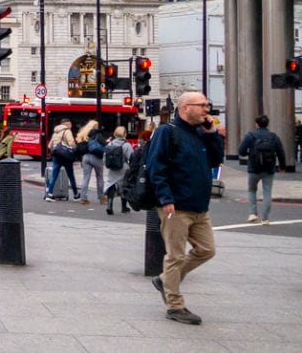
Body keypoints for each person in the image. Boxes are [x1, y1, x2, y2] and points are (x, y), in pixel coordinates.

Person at [147, 91, 223, 325]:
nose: (206, 109)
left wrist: (212, 134)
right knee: (176, 256)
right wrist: (165, 197)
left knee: (207, 250)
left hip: (199, 206)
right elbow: (155, 167)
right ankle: (175, 305)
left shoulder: (201, 133)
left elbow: (215, 159)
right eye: (201, 105)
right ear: (184, 108)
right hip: (175, 206)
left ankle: (164, 279)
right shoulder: (167, 132)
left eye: (207, 105)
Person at [237, 115, 287, 225]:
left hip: (254, 168)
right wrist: (282, 166)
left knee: (252, 190)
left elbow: (241, 151)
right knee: (267, 192)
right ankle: (265, 218)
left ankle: (253, 213)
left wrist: (249, 153)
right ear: (267, 124)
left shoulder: (251, 135)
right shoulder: (273, 137)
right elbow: (281, 152)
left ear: (257, 124)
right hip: (269, 169)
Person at [45, 119, 80, 202]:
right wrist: (74, 147)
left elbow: (50, 146)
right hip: (66, 156)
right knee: (70, 175)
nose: (70, 126)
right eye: (69, 124)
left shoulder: (55, 132)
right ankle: (76, 195)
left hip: (56, 155)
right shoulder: (67, 131)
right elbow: (71, 143)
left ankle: (49, 195)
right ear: (66, 124)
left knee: (54, 175)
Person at [103, 126, 134, 215]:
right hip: (123, 167)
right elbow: (131, 157)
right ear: (124, 134)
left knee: (111, 184)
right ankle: (124, 207)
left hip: (112, 168)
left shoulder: (110, 144)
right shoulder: (126, 145)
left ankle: (109, 204)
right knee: (124, 186)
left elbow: (104, 157)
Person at [77, 120, 105, 205]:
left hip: (85, 157)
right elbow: (103, 145)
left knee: (86, 177)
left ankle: (83, 198)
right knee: (99, 177)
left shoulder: (83, 134)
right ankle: (101, 197)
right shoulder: (98, 134)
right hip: (95, 157)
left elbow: (79, 147)